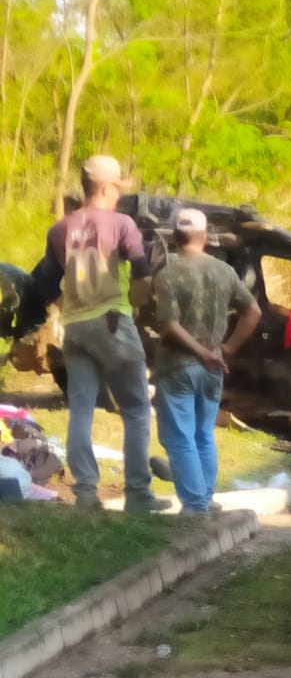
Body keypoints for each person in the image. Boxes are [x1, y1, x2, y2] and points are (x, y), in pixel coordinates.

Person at [28, 155, 169, 511]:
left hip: (75, 327)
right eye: (118, 187)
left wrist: (65, 303)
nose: (119, 194)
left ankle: (87, 494)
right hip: (112, 320)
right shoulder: (122, 224)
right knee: (136, 408)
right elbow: (143, 273)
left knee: (81, 410)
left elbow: (42, 280)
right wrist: (135, 307)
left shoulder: (60, 229)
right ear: (106, 187)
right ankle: (138, 494)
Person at [150, 208, 261, 513]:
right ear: (204, 237)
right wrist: (227, 349)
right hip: (214, 369)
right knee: (203, 434)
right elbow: (253, 312)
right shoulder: (224, 271)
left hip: (177, 367)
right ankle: (206, 498)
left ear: (174, 236)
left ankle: (196, 505)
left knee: (180, 436)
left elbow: (170, 325)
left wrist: (200, 353)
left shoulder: (169, 274)